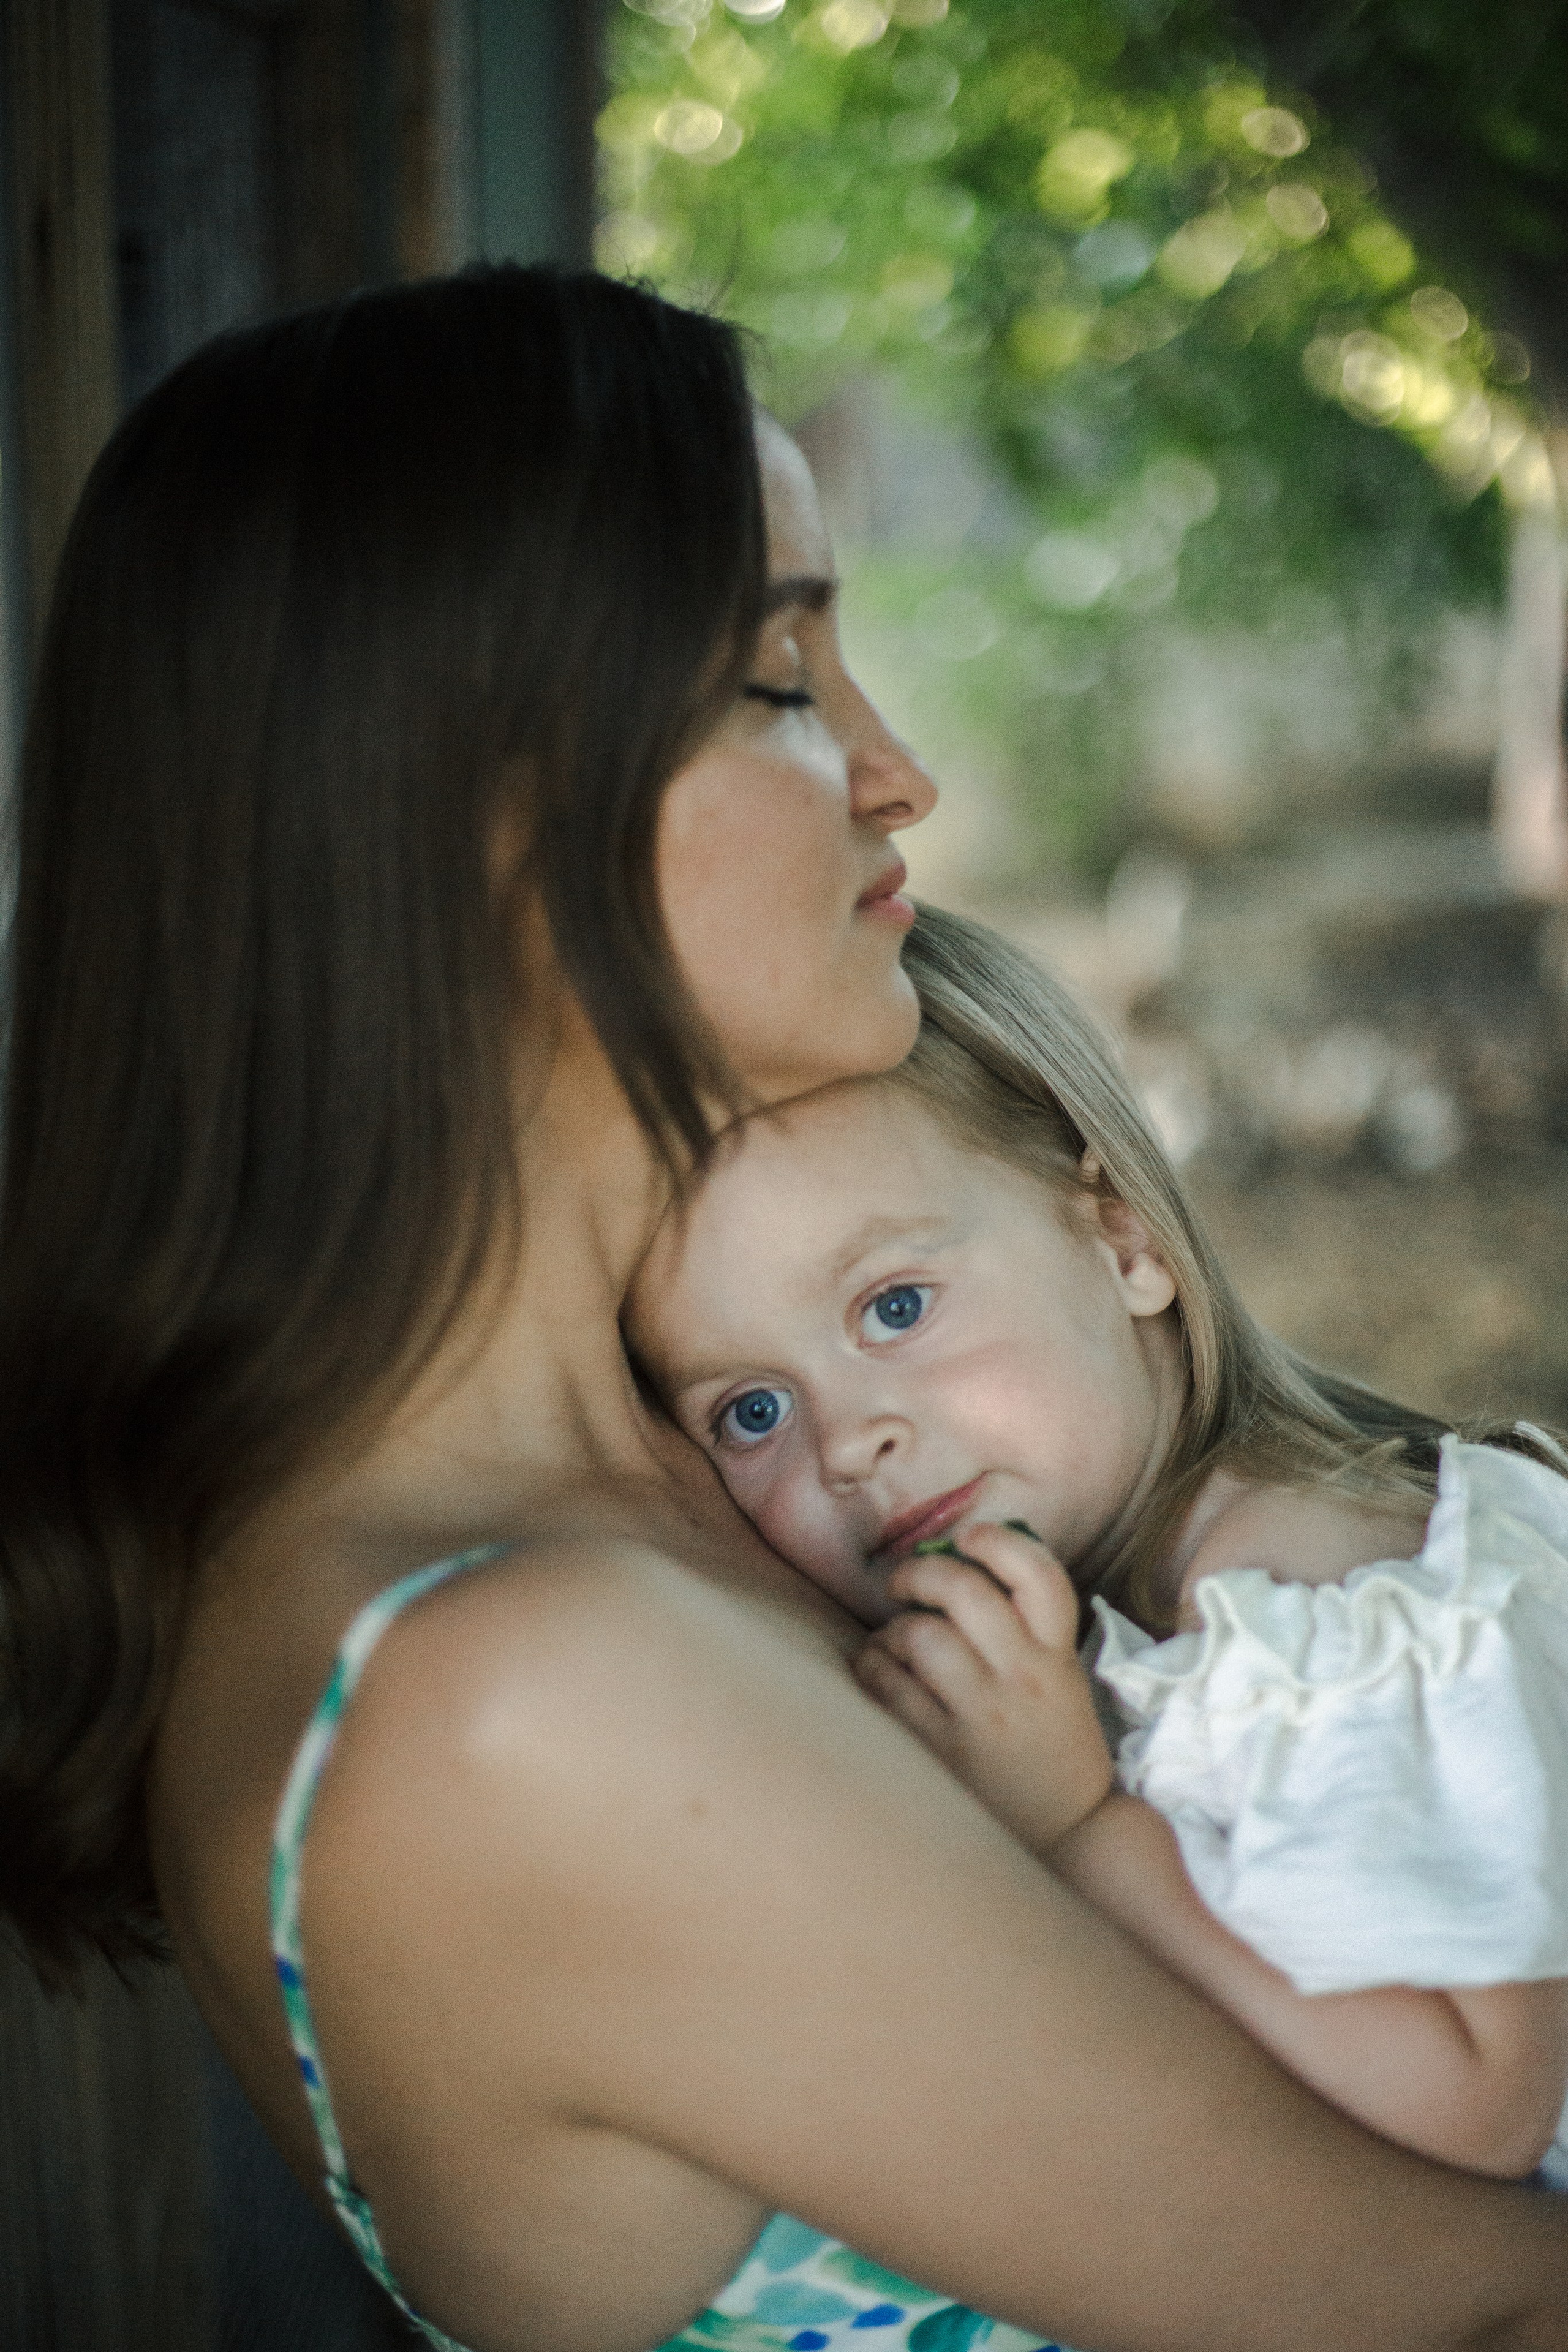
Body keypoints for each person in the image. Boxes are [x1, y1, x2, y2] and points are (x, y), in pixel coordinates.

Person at [2, 266, 1567, 2352]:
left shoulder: (676, 1473)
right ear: (459, 816)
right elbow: (1472, 2314)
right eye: (778, 680)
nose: (898, 773)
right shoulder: (515, 1705)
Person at [628, 903, 1568, 2191]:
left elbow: (1474, 2095)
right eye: (752, 1411)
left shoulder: (1311, 1593)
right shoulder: (1141, 1603)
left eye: (893, 1307)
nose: (847, 1442)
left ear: (1124, 1241)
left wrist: (1078, 1826)